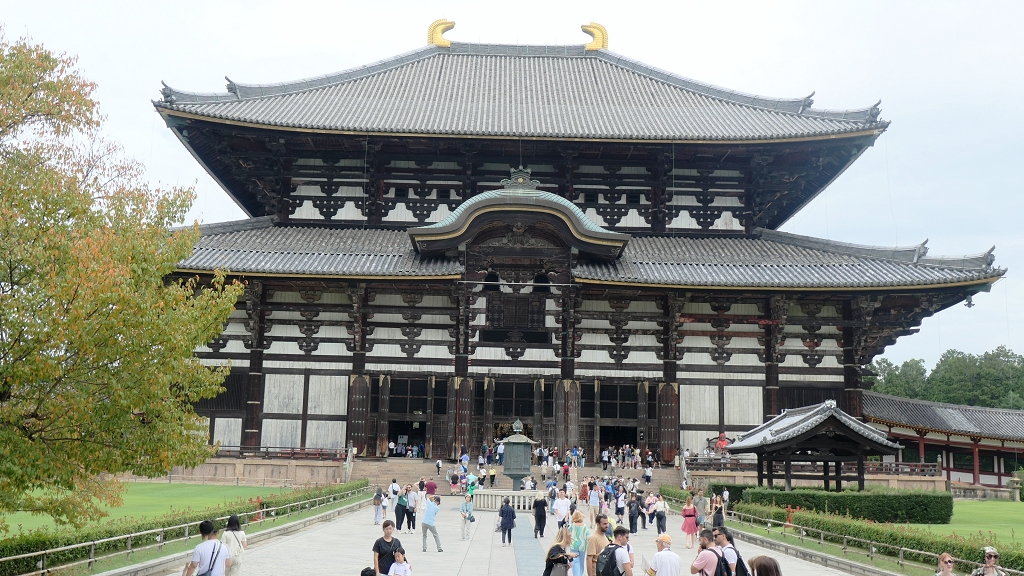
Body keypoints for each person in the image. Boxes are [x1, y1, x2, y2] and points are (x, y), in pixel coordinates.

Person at [569, 511, 591, 576]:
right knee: (581, 562)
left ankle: (576, 574)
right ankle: (580, 574)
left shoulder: (572, 526)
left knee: (575, 562)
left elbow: (568, 534)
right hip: (582, 547)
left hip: (573, 546)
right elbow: (588, 537)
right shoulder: (585, 527)